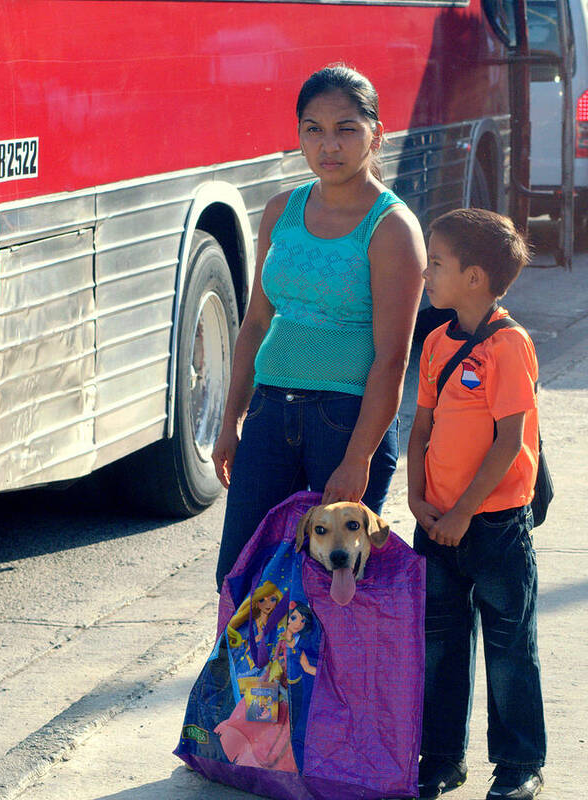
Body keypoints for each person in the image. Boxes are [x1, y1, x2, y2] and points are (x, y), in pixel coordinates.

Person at [212, 64, 425, 591]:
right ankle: (253, 680)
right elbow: (257, 320)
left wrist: (359, 458)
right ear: (299, 134)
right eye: (314, 129)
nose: (329, 145)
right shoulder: (281, 209)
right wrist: (231, 419)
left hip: (345, 420)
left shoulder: (392, 227)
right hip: (269, 413)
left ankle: (328, 679)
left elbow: (392, 358)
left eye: (346, 129)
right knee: (243, 579)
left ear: (377, 134)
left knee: (335, 591)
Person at [407, 208, 547, 800]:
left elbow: (509, 441)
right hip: (435, 524)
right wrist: (416, 497)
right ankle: (441, 758)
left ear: (475, 278)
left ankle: (519, 766)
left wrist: (464, 511)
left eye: (435, 263)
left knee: (509, 645)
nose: (425, 274)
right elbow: (420, 427)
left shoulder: (509, 345)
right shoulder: (437, 342)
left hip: (492, 527)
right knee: (438, 643)